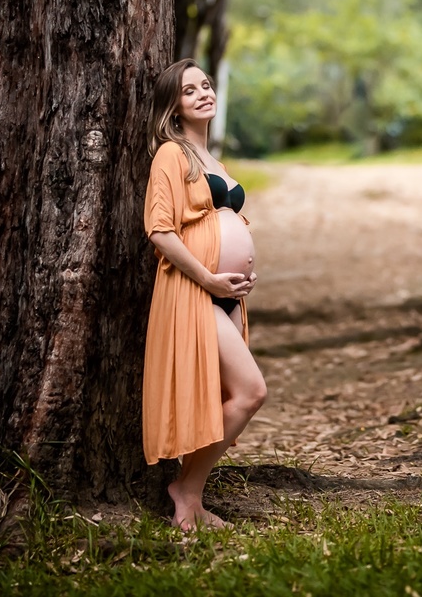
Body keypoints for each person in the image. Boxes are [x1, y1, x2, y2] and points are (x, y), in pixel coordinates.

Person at [142, 58, 266, 531]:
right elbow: (160, 230)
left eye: (206, 85)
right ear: (173, 107)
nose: (203, 94)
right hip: (194, 291)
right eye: (189, 90)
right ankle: (185, 489)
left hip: (226, 295)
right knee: (251, 391)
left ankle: (191, 496)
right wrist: (210, 279)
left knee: (223, 395)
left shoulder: (214, 161)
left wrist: (237, 272)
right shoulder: (171, 155)